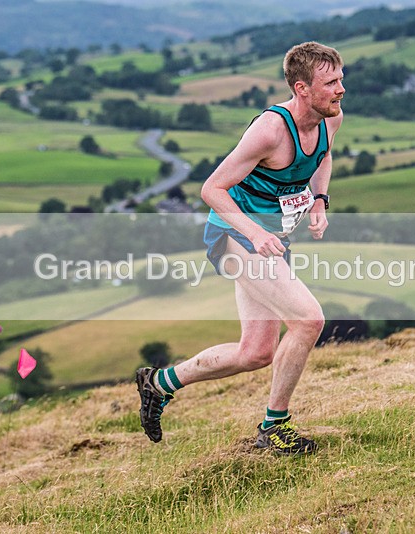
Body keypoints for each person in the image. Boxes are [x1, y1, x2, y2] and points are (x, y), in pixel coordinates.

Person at [136, 41, 345, 455]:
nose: (340, 89)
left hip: (270, 241)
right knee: (308, 320)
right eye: (330, 82)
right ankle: (274, 427)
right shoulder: (270, 131)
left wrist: (320, 201)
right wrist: (254, 232)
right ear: (301, 88)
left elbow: (323, 157)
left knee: (256, 353)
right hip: (235, 236)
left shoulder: (330, 118)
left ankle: (159, 384)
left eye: (340, 79)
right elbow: (211, 189)